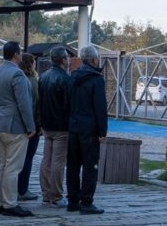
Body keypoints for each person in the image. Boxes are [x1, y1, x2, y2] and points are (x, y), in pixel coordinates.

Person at [0, 41, 35, 217]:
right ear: (16, 54)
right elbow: (24, 103)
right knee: (13, 167)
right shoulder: (17, 74)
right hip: (15, 125)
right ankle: (10, 203)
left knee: (1, 163)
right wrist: (30, 126)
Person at [66, 46, 107, 215]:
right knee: (90, 166)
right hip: (89, 128)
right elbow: (100, 107)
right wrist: (102, 131)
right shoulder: (96, 79)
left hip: (74, 126)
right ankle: (87, 201)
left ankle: (73, 201)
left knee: (73, 165)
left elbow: (67, 102)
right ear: (94, 60)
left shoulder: (72, 77)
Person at [38, 46, 71, 206]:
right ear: (64, 60)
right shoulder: (65, 79)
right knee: (58, 161)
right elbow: (68, 104)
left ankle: (45, 193)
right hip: (61, 126)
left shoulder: (43, 77)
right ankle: (56, 195)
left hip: (46, 124)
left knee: (47, 160)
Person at [16, 53, 41, 202]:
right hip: (30, 126)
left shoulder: (18, 78)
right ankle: (23, 189)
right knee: (27, 158)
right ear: (31, 64)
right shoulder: (32, 81)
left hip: (16, 125)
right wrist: (37, 126)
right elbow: (36, 105)